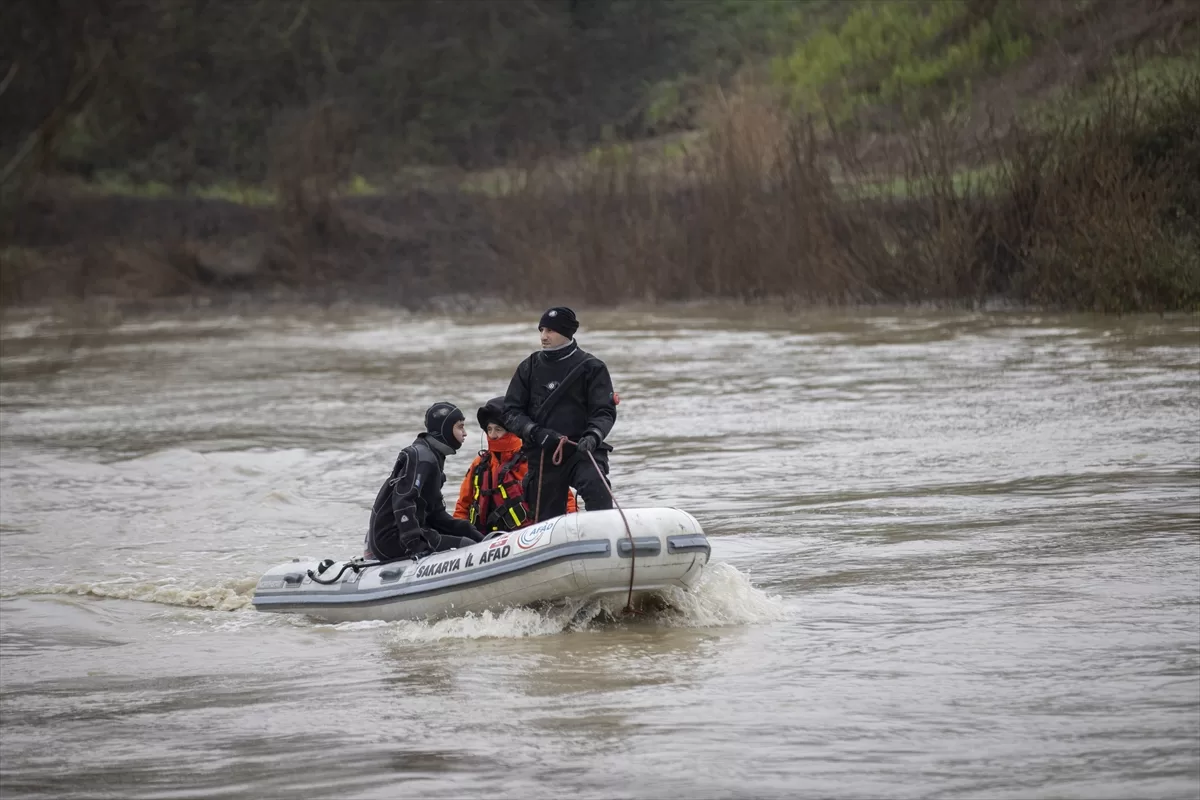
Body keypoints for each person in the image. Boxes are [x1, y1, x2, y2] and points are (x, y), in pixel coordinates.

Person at [502, 306, 617, 522]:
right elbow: (510, 412)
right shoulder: (528, 368)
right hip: (544, 454)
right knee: (545, 520)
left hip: (582, 451)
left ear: (566, 333)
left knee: (596, 485)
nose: (544, 337)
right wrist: (535, 432)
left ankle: (604, 533)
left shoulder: (592, 367)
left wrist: (593, 436)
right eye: (541, 330)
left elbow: (605, 411)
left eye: (550, 331)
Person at [364, 402, 483, 561]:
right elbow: (403, 502)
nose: (465, 433)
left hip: (408, 532)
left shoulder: (433, 456)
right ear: (445, 429)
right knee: (465, 544)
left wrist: (469, 530)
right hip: (391, 539)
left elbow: (436, 515)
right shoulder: (423, 458)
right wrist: (416, 544)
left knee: (468, 537)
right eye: (460, 427)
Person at [453, 397, 577, 535]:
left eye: (498, 429)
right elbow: (463, 507)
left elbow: (565, 501)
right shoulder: (479, 465)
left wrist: (570, 530)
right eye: (489, 429)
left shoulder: (533, 462)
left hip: (528, 537)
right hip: (484, 541)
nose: (493, 435)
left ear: (512, 431)